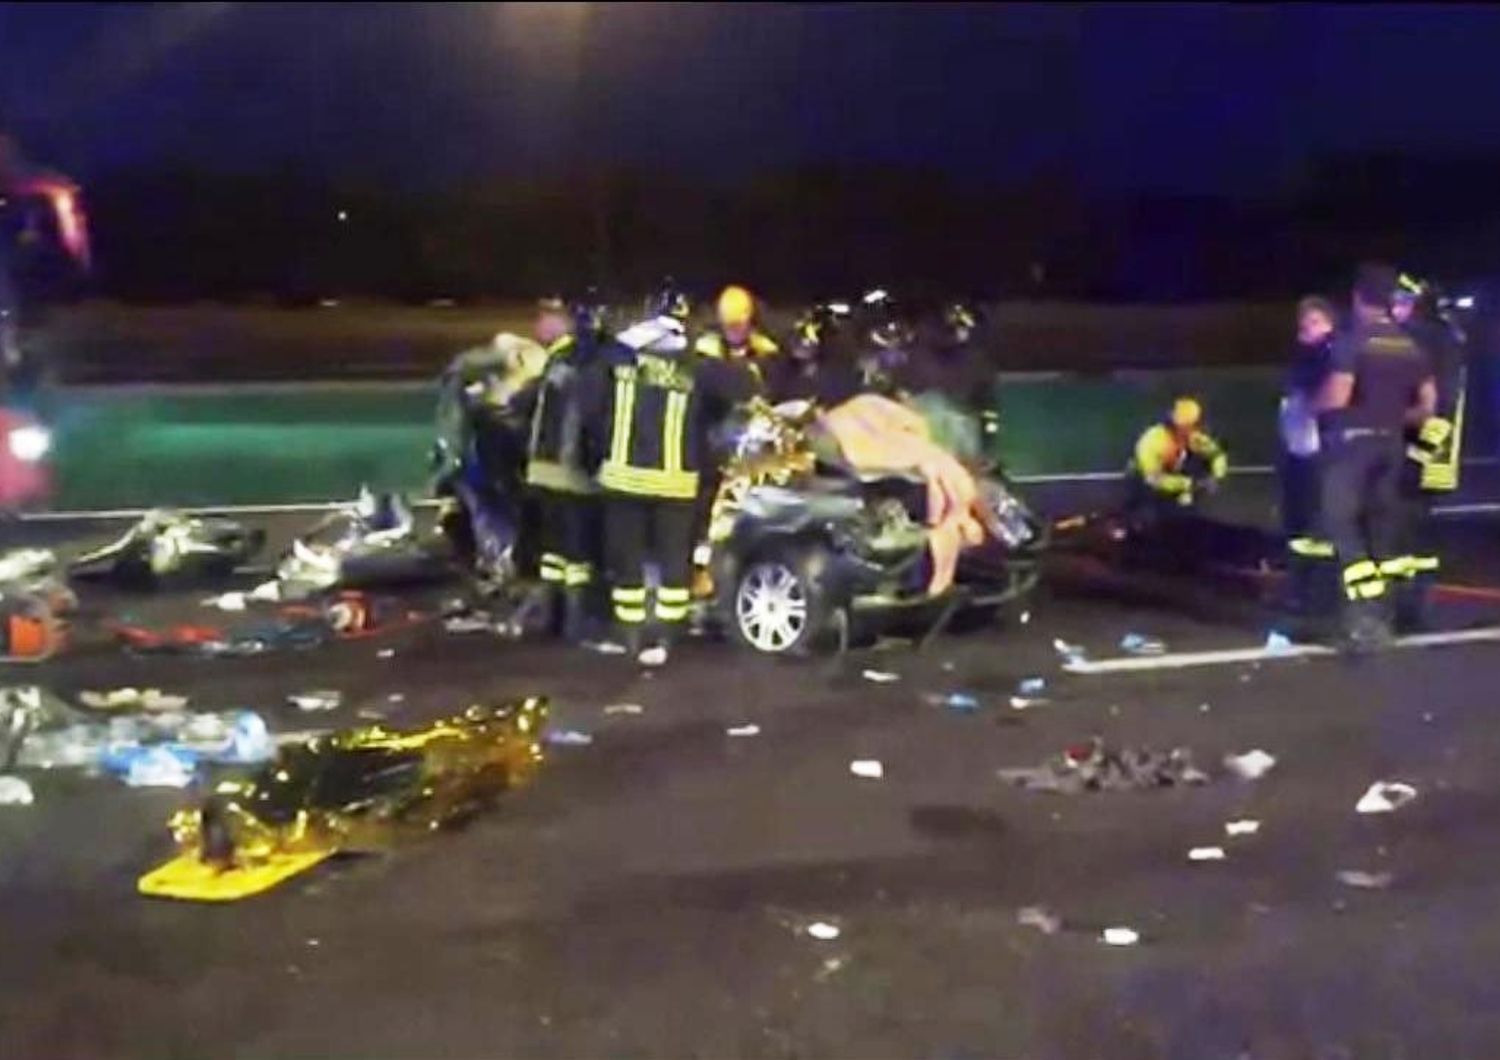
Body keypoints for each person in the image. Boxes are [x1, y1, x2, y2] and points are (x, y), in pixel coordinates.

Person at [583, 294, 756, 666]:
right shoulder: (696, 366)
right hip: (676, 485)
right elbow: (742, 390)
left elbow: (589, 410)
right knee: (673, 565)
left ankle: (631, 636)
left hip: (624, 481)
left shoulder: (616, 360)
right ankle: (667, 639)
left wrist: (602, 450)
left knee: (627, 562)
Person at [1316, 263, 1437, 651]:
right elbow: (1427, 406)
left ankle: (1362, 619)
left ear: (1357, 299)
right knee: (1382, 533)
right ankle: (1386, 616)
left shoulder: (1354, 342)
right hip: (1391, 446)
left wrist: (1310, 407)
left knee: (1341, 525)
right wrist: (1391, 418)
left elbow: (1336, 397)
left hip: (1353, 446)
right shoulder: (1410, 346)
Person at [1390, 273, 1466, 629]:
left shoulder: (1427, 339)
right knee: (1417, 529)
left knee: (1407, 528)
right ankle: (1413, 606)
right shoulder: (1444, 337)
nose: (1395, 310)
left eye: (1401, 303)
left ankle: (1409, 609)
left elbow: (1436, 404)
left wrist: (1414, 451)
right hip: (1433, 449)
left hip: (1423, 446)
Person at [523, 296, 600, 641]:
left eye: (545, 318)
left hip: (555, 470)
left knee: (561, 551)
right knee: (570, 554)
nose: (538, 325)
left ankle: (561, 619)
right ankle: (571, 620)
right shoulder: (572, 360)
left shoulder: (567, 360)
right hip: (565, 472)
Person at [1279, 296, 1339, 621]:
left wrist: (1310, 410)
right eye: (1304, 324)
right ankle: (1302, 591)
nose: (1307, 329)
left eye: (1315, 322)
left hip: (1319, 452)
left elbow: (1326, 396)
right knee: (1300, 525)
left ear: (1330, 323)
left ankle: (1315, 598)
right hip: (1300, 450)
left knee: (1316, 526)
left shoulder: (1330, 354)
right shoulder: (1307, 356)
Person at [1125, 396, 1228, 524]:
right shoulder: (1152, 443)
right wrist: (1190, 484)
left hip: (1174, 476)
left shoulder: (1193, 437)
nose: (1198, 429)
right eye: (1194, 425)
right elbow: (1155, 480)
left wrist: (1216, 477)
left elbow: (1217, 455)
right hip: (1146, 482)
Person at [694, 285, 779, 376]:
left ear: (750, 323)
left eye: (738, 325)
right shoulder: (707, 350)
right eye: (730, 326)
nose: (734, 332)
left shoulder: (766, 350)